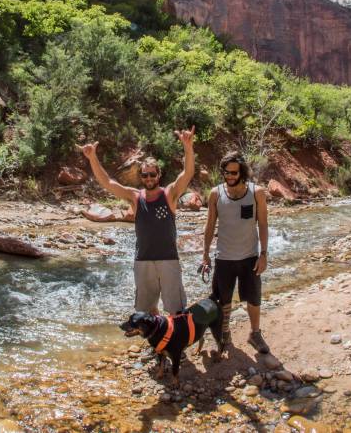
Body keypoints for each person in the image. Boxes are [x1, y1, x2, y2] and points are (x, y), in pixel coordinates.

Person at [78, 127, 195, 314]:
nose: (148, 178)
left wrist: (188, 147)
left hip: (168, 260)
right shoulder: (135, 197)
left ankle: (177, 341)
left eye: (152, 174)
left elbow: (187, 174)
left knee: (176, 310)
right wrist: (92, 158)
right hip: (143, 261)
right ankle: (156, 341)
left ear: (159, 175)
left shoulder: (170, 194)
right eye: (145, 175)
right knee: (145, 312)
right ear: (140, 177)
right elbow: (108, 183)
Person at [202, 151, 270, 354]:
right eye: (226, 172)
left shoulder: (256, 192)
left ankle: (255, 333)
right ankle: (224, 334)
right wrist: (205, 254)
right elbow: (209, 224)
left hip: (250, 256)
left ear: (242, 172)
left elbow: (264, 225)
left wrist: (264, 254)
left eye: (234, 172)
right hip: (224, 256)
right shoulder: (216, 193)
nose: (230, 176)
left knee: (254, 298)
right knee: (223, 299)